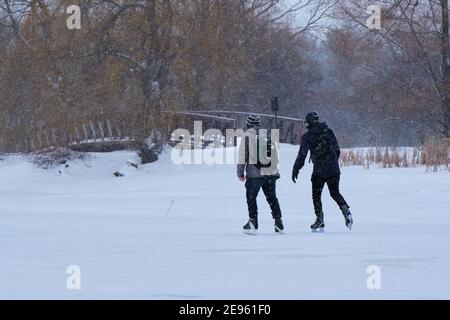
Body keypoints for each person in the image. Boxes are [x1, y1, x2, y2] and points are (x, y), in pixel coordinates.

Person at [292, 111, 353, 232]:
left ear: (308, 123)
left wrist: (295, 169)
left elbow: (302, 156)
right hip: (333, 169)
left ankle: (319, 219)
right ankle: (346, 210)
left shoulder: (307, 137)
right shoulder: (328, 131)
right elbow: (337, 150)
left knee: (316, 195)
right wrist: (332, 161)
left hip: (319, 170)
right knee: (335, 192)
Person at [237, 114, 285, 235]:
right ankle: (279, 223)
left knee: (251, 197)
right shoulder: (267, 134)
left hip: (255, 174)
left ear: (248, 124)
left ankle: (253, 222)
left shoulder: (247, 136)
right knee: (272, 197)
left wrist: (240, 172)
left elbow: (243, 156)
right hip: (270, 172)